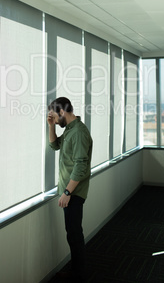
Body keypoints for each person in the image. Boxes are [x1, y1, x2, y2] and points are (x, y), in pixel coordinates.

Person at [47, 97, 93, 282]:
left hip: (73, 193)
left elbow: (81, 165)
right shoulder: (69, 130)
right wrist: (51, 126)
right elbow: (54, 145)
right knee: (72, 234)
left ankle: (79, 276)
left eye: (55, 118)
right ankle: (76, 273)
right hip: (69, 192)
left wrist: (67, 192)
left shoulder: (79, 133)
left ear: (62, 111)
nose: (56, 121)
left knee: (74, 235)